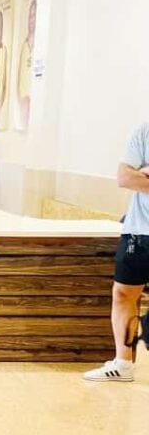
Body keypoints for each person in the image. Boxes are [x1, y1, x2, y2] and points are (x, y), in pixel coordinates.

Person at [84, 123, 149, 381]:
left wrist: (144, 175)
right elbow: (125, 178)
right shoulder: (144, 132)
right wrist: (136, 175)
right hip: (139, 232)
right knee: (123, 294)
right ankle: (123, 364)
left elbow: (135, 178)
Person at [16, 0, 36, 129]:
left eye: (34, 16)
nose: (32, 20)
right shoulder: (23, 46)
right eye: (30, 16)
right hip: (22, 98)